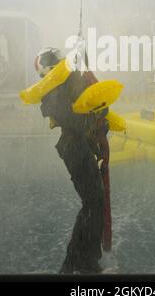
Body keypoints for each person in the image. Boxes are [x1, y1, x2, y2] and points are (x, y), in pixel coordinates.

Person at [35, 47, 106, 274]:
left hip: (77, 145)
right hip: (73, 146)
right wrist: (93, 116)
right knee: (92, 202)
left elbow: (82, 101)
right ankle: (74, 261)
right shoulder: (54, 92)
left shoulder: (60, 87)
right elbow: (73, 119)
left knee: (95, 201)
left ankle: (87, 259)